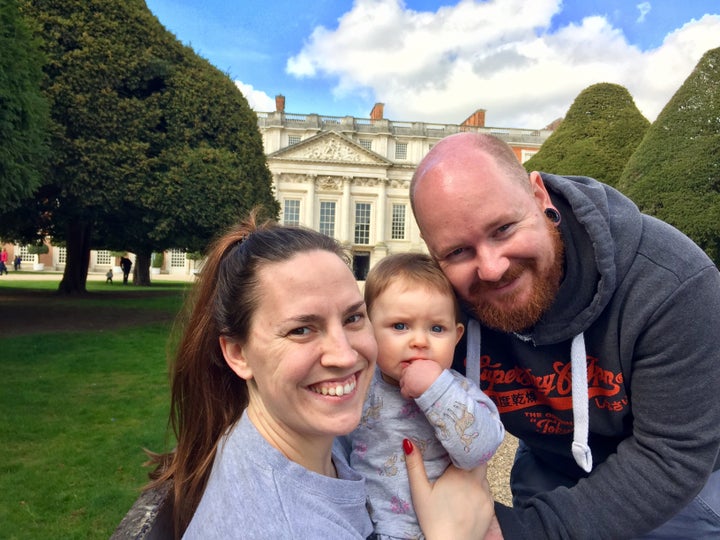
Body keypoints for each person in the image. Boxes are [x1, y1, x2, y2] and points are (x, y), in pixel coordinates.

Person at [410, 132, 720, 539]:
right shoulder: (440, 303)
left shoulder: (671, 284)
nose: (491, 268)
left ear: (539, 196)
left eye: (503, 228)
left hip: (682, 480)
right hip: (550, 461)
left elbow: (672, 455)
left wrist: (524, 531)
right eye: (458, 252)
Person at [144, 211, 495, 540]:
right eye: (301, 330)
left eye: (352, 318)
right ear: (238, 354)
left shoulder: (296, 438)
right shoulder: (288, 527)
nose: (345, 355)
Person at [347, 253, 504, 539]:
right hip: (362, 525)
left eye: (436, 329)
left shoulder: (459, 391)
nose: (419, 341)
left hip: (436, 527)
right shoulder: (359, 385)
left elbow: (482, 449)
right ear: (368, 328)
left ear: (457, 337)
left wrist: (436, 390)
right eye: (400, 326)